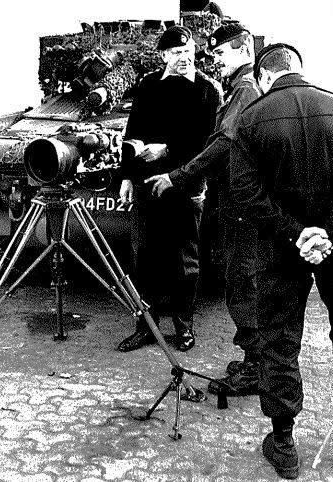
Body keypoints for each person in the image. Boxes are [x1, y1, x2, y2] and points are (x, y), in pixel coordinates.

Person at [229, 43, 333, 479]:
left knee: (278, 338)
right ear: (299, 69)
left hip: (279, 247)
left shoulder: (251, 119)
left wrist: (296, 233)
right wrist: (325, 233)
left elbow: (245, 192)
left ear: (265, 75)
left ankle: (284, 443)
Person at [145, 23, 262, 395]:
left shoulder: (239, 90)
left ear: (243, 50)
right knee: (238, 280)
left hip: (232, 202)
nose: (216, 60)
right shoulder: (234, 89)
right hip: (222, 196)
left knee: (242, 283)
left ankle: (255, 367)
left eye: (222, 53)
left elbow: (222, 141)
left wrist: (179, 176)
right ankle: (252, 359)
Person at [118, 25, 221, 352]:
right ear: (163, 55)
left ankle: (184, 326)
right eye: (176, 53)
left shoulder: (207, 90)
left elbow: (206, 142)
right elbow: (132, 133)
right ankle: (146, 326)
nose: (184, 58)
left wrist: (167, 150)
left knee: (185, 261)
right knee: (144, 258)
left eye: (188, 51)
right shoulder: (149, 86)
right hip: (148, 185)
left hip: (187, 185)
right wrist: (126, 176)